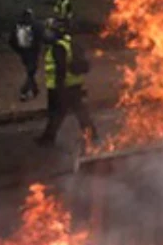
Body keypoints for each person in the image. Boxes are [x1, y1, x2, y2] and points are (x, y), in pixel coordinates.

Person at [36, 18, 98, 146]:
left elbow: (60, 68)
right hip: (75, 84)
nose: (46, 34)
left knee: (56, 113)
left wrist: (59, 88)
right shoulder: (71, 43)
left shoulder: (58, 47)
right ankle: (92, 135)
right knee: (80, 111)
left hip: (61, 86)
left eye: (48, 31)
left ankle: (48, 139)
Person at [11, 9, 44, 101]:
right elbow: (41, 36)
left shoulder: (17, 26)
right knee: (31, 72)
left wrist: (18, 50)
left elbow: (11, 40)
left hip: (23, 52)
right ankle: (24, 91)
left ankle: (35, 89)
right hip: (33, 51)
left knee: (30, 71)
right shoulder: (36, 24)